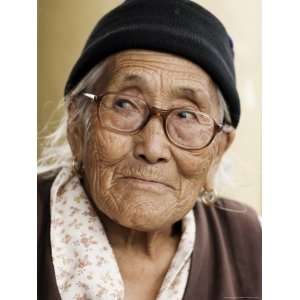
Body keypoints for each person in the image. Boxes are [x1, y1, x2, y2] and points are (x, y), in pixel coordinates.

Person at [38, 1, 261, 299]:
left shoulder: (251, 245)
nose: (153, 148)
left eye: (186, 115)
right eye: (124, 104)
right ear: (78, 125)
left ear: (218, 151)